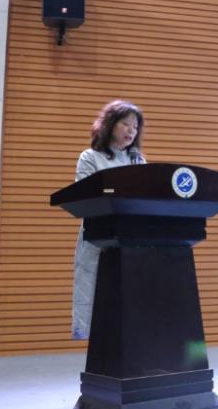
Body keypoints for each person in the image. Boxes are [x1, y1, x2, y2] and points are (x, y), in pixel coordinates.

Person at [72, 100, 146, 339]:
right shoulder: (90, 157)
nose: (131, 130)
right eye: (126, 124)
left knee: (128, 297)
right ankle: (94, 342)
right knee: (95, 295)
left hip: (131, 237)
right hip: (98, 235)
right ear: (110, 124)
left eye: (135, 127)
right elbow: (82, 195)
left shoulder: (138, 161)